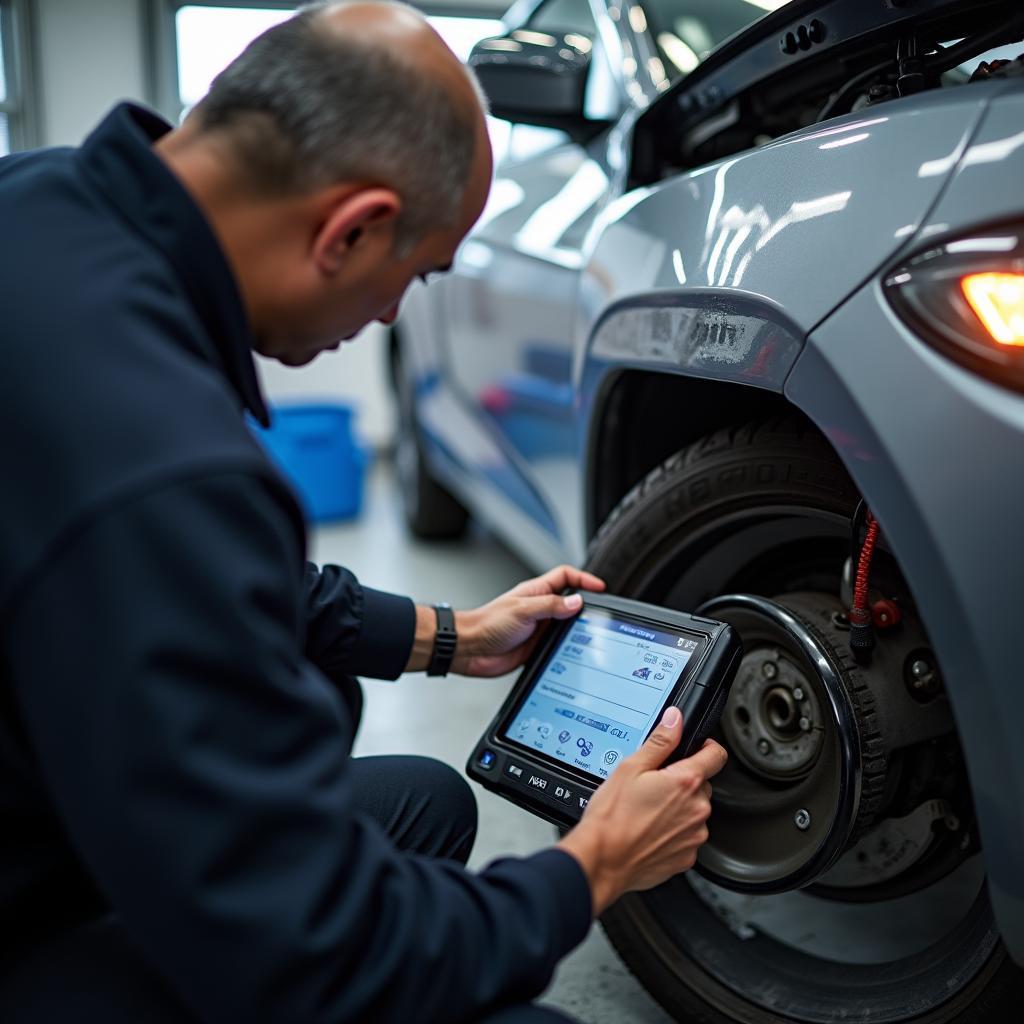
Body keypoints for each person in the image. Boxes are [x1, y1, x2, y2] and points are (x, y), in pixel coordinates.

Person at [0, 3, 728, 1022]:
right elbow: (316, 956)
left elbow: (165, 580)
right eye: (416, 274)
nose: (392, 315)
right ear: (352, 229)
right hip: (26, 931)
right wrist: (593, 863)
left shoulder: (36, 202)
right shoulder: (167, 465)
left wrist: (452, 635)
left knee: (418, 803)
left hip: (43, 794)